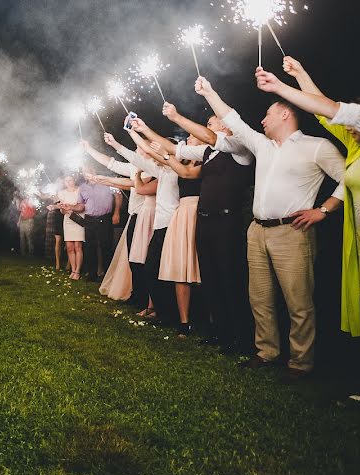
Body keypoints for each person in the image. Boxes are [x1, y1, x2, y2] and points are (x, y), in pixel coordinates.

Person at [256, 62, 360, 409]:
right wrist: (295, 77)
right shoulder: (357, 147)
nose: (349, 125)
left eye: (357, 121)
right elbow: (326, 109)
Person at [195, 75, 346, 379]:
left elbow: (349, 178)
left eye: (267, 114)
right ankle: (266, 352)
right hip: (257, 230)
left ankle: (301, 363)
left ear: (285, 113)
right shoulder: (262, 146)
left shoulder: (316, 147)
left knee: (298, 301)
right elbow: (233, 121)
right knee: (260, 297)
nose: (262, 120)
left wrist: (323, 210)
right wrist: (209, 92)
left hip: (292, 232)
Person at [156, 102, 254, 350]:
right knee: (211, 279)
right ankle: (220, 332)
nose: (206, 127)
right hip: (205, 219)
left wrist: (177, 116)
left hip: (226, 220)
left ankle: (240, 337)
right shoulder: (209, 153)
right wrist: (142, 129)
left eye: (210, 122)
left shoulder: (240, 147)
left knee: (229, 278)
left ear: (224, 125)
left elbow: (207, 136)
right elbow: (175, 150)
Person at [129, 120, 203, 337]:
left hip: (180, 219)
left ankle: (178, 316)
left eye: (191, 137)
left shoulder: (186, 166)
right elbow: (140, 155)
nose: (188, 139)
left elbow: (164, 158)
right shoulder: (168, 168)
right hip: (168, 222)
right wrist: (132, 131)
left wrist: (163, 152)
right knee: (156, 268)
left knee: (176, 270)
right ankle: (165, 312)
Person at [105, 129, 180, 322]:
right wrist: (117, 142)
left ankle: (163, 311)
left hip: (171, 222)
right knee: (149, 266)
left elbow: (140, 186)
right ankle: (154, 308)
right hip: (158, 222)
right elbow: (136, 159)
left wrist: (136, 174)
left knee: (157, 267)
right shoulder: (161, 170)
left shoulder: (176, 170)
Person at [81, 140, 157, 309]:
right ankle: (136, 294)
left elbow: (134, 185)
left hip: (148, 217)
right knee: (133, 257)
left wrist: (107, 180)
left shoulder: (153, 167)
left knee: (144, 259)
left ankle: (146, 298)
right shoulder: (133, 167)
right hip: (134, 216)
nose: (137, 149)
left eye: (139, 147)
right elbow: (111, 162)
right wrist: (89, 149)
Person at [71, 168, 120, 281]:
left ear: (93, 171)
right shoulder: (82, 188)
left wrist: (116, 213)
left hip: (105, 218)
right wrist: (71, 207)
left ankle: (108, 275)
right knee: (89, 247)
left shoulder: (106, 182)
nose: (86, 173)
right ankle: (92, 274)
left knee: (106, 246)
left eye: (88, 170)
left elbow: (118, 195)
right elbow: (80, 205)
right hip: (89, 219)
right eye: (84, 172)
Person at [56, 175, 84, 280]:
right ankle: (73, 269)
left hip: (78, 219)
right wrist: (63, 209)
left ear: (74, 180)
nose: (68, 182)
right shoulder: (61, 193)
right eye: (66, 180)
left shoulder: (80, 190)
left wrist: (72, 208)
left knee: (78, 246)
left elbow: (82, 205)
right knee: (69, 247)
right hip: (68, 220)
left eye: (70, 180)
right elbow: (61, 211)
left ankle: (78, 271)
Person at [43, 177, 65, 271]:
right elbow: (44, 196)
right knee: (58, 241)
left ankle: (68, 264)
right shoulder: (54, 193)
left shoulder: (66, 192)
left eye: (60, 182)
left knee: (67, 242)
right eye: (58, 181)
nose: (59, 183)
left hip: (67, 217)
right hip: (58, 217)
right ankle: (57, 263)